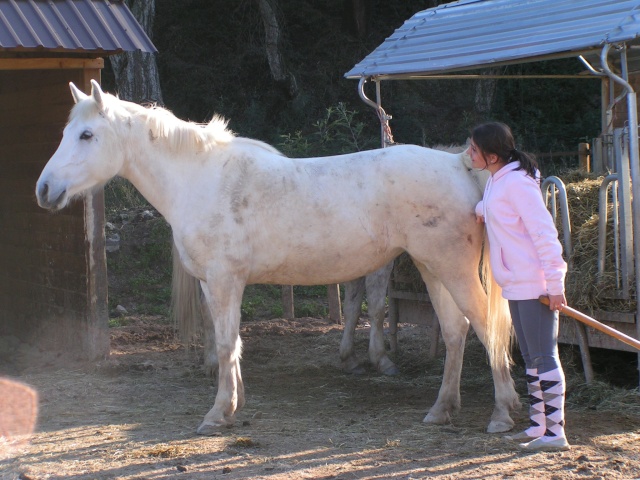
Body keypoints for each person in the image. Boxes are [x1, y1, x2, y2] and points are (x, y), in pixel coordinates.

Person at [468, 122, 570, 452]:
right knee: (530, 358)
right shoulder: (498, 180)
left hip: (534, 286)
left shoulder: (518, 184)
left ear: (492, 155)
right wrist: (481, 210)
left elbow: (544, 233)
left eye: (474, 150)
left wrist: (555, 284)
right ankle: (539, 425)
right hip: (514, 284)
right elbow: (499, 209)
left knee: (544, 356)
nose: (469, 154)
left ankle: (556, 433)